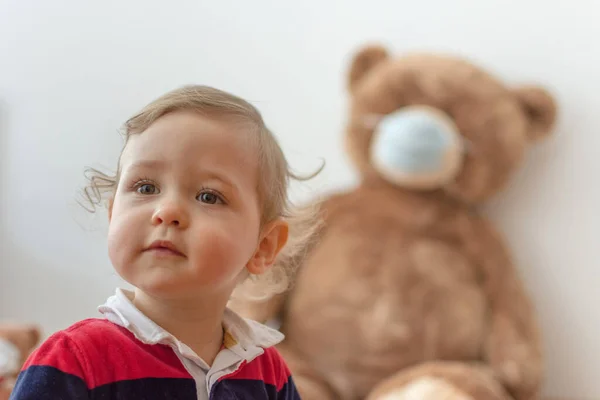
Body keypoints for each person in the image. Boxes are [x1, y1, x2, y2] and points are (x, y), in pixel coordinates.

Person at [10, 85, 322, 399]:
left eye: (208, 196)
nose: (167, 211)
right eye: (145, 188)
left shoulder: (269, 374)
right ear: (112, 214)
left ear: (262, 247)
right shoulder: (73, 360)